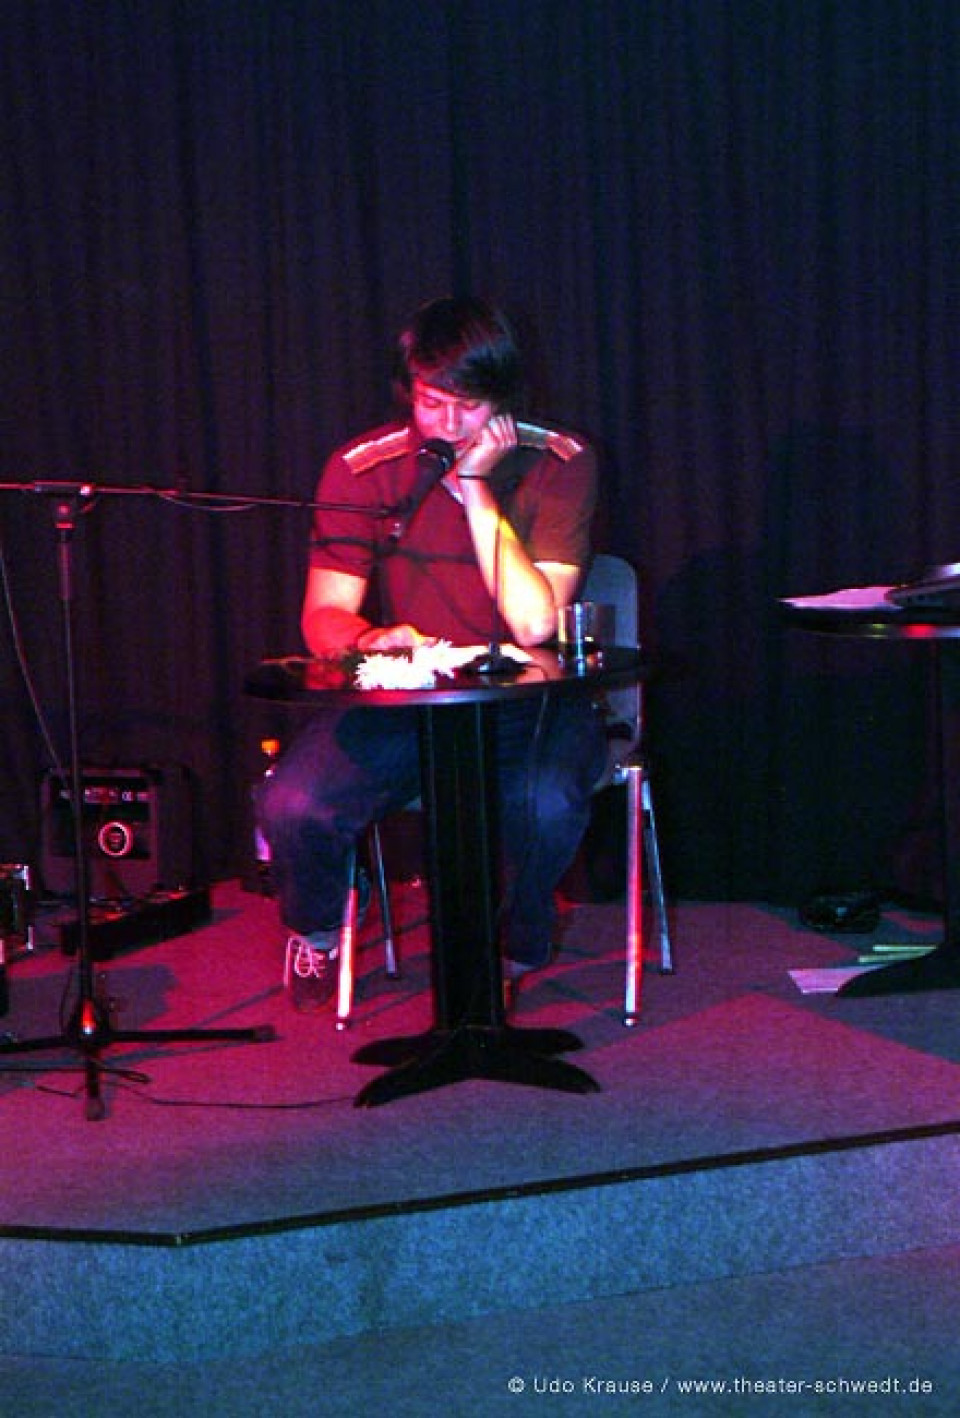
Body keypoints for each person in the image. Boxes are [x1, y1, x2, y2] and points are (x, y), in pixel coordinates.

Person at [258, 296, 607, 1010]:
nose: (448, 424)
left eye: (468, 406)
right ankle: (318, 925)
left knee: (544, 805)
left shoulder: (557, 461)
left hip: (528, 699)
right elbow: (323, 616)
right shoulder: (364, 468)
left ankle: (508, 949)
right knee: (293, 803)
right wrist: (366, 639)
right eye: (431, 403)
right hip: (410, 699)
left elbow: (534, 623)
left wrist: (475, 490)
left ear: (502, 399)